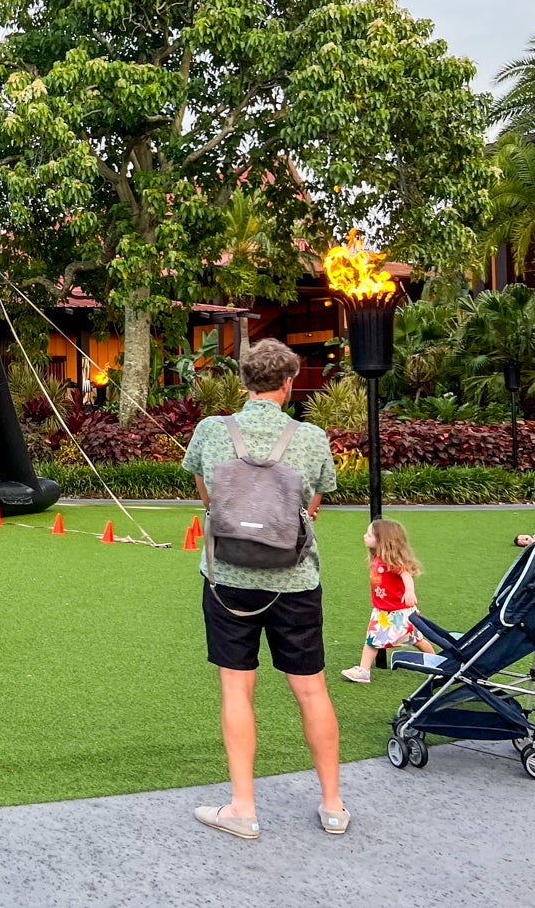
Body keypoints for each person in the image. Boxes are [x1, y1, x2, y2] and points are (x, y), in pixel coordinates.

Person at [181, 338, 345, 839]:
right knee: (311, 689)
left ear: (244, 382)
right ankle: (333, 805)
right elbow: (312, 505)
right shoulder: (310, 437)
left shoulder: (212, 430)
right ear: (289, 383)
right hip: (295, 580)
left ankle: (243, 808)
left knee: (237, 687)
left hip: (228, 578)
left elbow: (207, 497)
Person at [340, 518, 436, 682]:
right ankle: (364, 670)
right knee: (376, 640)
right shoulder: (379, 559)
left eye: (369, 535)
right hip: (383, 611)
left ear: (382, 540)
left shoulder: (392, 562)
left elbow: (406, 574)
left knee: (416, 639)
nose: (364, 536)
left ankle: (437, 664)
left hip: (399, 612)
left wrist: (410, 591)